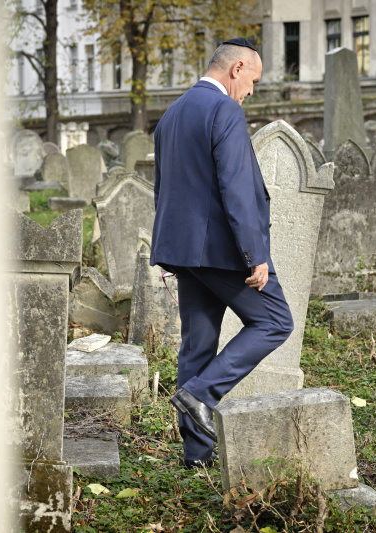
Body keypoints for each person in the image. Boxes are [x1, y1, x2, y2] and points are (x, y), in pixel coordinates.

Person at [150, 38, 294, 469]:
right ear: (236, 69)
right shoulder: (225, 110)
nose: (251, 90)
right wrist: (256, 255)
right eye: (253, 79)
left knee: (197, 347)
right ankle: (200, 394)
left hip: (182, 251)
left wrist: (173, 252)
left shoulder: (171, 114)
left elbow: (165, 189)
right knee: (275, 320)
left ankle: (196, 457)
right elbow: (236, 188)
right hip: (220, 251)